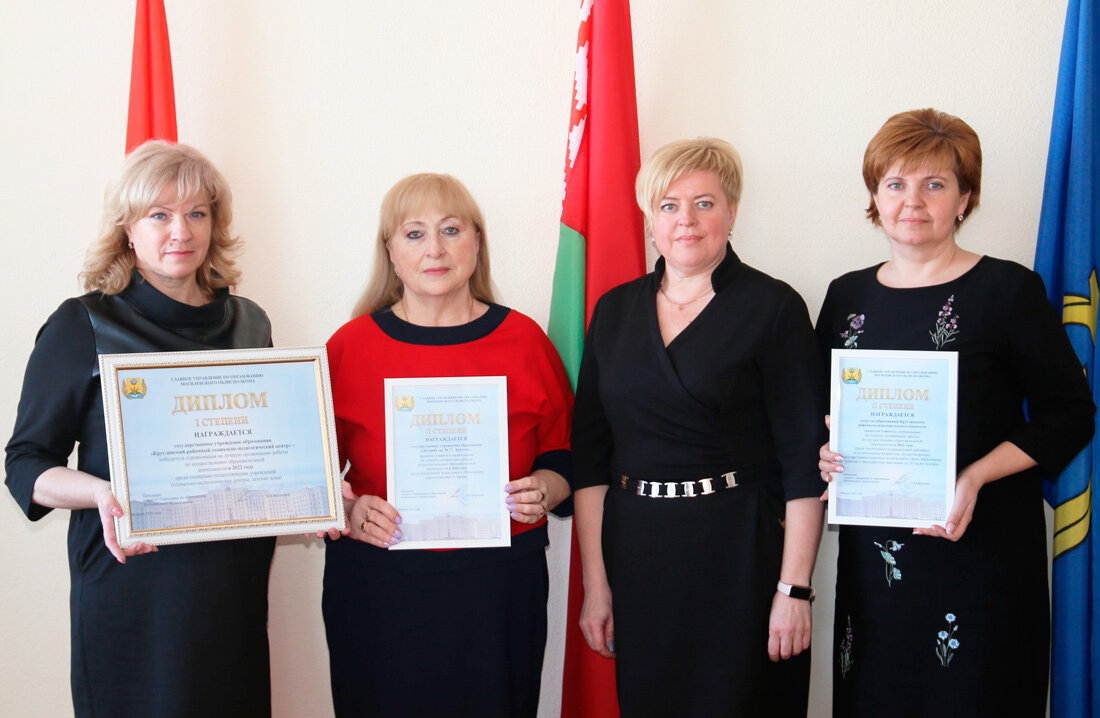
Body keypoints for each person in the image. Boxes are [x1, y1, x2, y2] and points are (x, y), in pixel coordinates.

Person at [816, 108, 1095, 716]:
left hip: (982, 554)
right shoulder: (845, 295)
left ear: (965, 199)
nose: (912, 201)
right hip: (877, 567)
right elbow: (819, 413)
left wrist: (974, 476)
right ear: (875, 196)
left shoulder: (1009, 290)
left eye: (935, 184)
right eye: (895, 183)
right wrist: (826, 450)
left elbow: (1070, 414)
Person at [5, 141, 276, 717]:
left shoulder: (250, 323)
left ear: (214, 224)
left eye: (196, 213)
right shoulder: (84, 323)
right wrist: (103, 493)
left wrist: (319, 488)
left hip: (232, 588)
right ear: (128, 229)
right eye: (159, 215)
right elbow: (25, 464)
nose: (181, 231)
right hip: (134, 587)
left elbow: (267, 450)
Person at [571, 137, 826, 716]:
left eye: (704, 203)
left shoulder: (774, 307)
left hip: (741, 556)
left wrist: (794, 589)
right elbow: (590, 460)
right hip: (639, 556)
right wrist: (598, 585)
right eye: (668, 205)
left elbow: (804, 464)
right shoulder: (614, 311)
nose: (685, 220)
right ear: (649, 222)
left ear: (732, 213)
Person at [322, 173, 573, 717]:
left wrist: (545, 490)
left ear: (477, 242)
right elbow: (311, 478)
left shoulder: (526, 341)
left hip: (497, 589)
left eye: (451, 230)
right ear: (390, 253)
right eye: (414, 234)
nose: (434, 249)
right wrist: (348, 509)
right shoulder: (348, 347)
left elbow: (564, 456)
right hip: (378, 586)